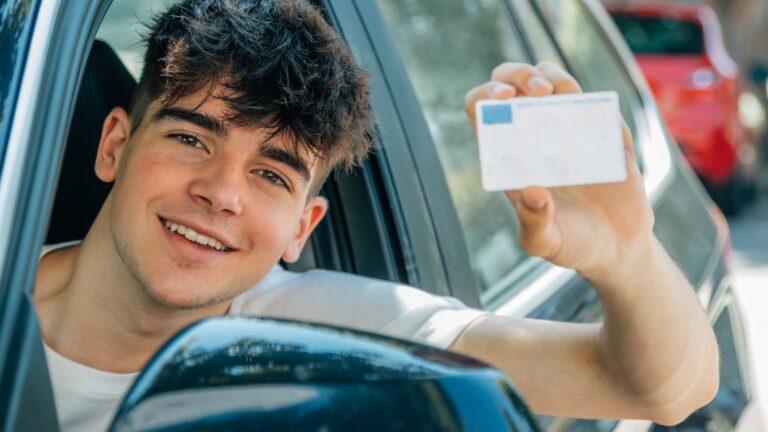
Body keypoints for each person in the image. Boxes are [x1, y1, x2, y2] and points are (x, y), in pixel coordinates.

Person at [33, 0, 719, 430]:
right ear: (115, 144)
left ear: (303, 229)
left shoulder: (321, 334)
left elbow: (659, 390)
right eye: (190, 139)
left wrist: (624, 254)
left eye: (272, 175)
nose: (222, 194)